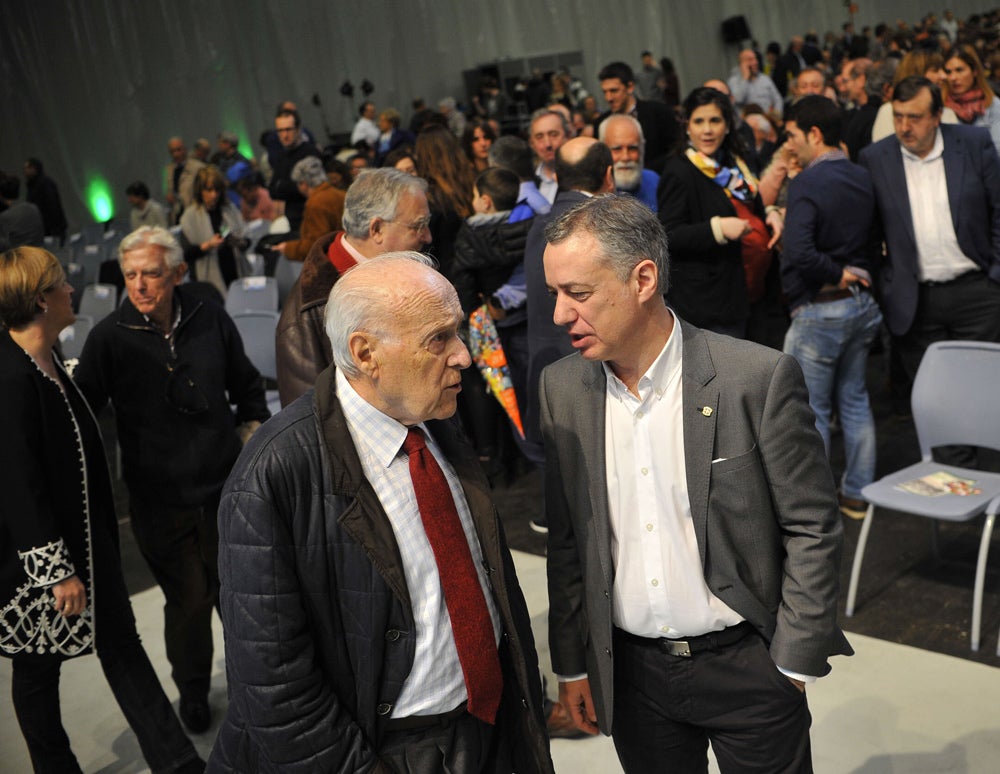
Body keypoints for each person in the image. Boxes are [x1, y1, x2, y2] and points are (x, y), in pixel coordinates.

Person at [539, 194, 851, 773]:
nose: (560, 315)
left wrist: (793, 664)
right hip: (632, 679)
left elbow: (812, 524)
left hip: (749, 668)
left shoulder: (753, 378)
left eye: (577, 294)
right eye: (555, 293)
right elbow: (569, 541)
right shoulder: (561, 389)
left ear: (643, 279)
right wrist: (573, 664)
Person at [208, 253, 554, 774]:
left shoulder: (433, 417)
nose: (464, 356)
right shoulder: (276, 473)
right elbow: (274, 687)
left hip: (488, 729)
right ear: (365, 353)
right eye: (438, 339)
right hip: (386, 754)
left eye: (457, 333)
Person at [0, 246, 204, 773]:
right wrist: (56, 570)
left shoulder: (46, 361)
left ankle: (178, 762)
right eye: (63, 285)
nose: (74, 291)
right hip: (42, 567)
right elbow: (17, 485)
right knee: (37, 670)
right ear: (43, 300)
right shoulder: (11, 377)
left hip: (91, 549)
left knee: (123, 648)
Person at [74, 226, 269, 734]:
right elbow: (81, 411)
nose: (139, 285)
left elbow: (247, 385)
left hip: (225, 489)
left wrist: (251, 435)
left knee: (239, 595)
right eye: (130, 275)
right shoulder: (108, 337)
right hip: (158, 498)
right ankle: (195, 692)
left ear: (178, 273)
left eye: (151, 274)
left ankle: (259, 686)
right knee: (187, 602)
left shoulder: (208, 317)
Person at [859, 76, 1000, 459]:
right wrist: (887, 286)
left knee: (988, 393)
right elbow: (869, 235)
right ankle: (960, 492)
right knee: (939, 403)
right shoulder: (876, 158)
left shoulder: (973, 144)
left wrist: (995, 277)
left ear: (938, 115)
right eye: (899, 116)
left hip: (979, 291)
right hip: (915, 299)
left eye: (916, 117)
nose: (905, 126)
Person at [782, 96, 884, 520]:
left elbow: (798, 249)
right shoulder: (862, 175)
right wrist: (850, 272)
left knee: (811, 412)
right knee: (856, 400)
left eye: (792, 136)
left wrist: (835, 272)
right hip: (862, 308)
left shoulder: (807, 181)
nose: (789, 145)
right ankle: (857, 493)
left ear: (815, 134)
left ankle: (815, 506)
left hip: (822, 309)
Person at [275, 168, 432, 406]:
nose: (428, 237)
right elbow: (312, 417)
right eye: (418, 225)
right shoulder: (307, 315)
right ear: (377, 229)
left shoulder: (413, 270)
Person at [657, 86, 783, 339]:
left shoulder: (733, 162)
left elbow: (750, 199)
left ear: (727, 125)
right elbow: (669, 234)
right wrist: (717, 229)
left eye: (715, 120)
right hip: (711, 305)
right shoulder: (679, 171)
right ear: (687, 126)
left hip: (752, 293)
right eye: (699, 121)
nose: (707, 130)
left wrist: (769, 212)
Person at [596, 61, 680, 173]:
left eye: (614, 91)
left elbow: (675, 151)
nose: (608, 98)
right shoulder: (601, 123)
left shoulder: (659, 113)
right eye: (605, 92)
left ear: (630, 87)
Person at [178, 164, 249, 296]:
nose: (214, 195)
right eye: (209, 190)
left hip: (234, 271)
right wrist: (208, 245)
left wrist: (239, 243)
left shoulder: (229, 209)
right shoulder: (190, 216)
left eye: (217, 190)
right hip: (207, 279)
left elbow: (247, 240)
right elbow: (185, 254)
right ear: (200, 191)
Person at [273, 156, 345, 262]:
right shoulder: (341, 194)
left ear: (303, 184)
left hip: (334, 263)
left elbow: (315, 246)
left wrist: (288, 248)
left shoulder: (315, 204)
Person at [268, 108, 321, 232]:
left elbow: (312, 187)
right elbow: (272, 190)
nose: (284, 135)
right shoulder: (281, 156)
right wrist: (295, 187)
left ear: (297, 129)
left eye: (288, 130)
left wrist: (283, 187)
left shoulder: (310, 152)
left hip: (311, 216)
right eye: (280, 131)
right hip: (293, 220)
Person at [942, 44, 1000, 153]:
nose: (953, 78)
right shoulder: (940, 107)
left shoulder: (993, 105)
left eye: (959, 70)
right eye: (949, 72)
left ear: (974, 71)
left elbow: (998, 151)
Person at [598, 114, 659, 210]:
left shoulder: (654, 181)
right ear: (602, 151)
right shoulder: (593, 190)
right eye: (617, 149)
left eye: (632, 148)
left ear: (642, 149)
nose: (625, 157)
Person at [23, 159, 68, 245]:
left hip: (51, 228)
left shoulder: (45, 183)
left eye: (28, 167)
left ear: (35, 168)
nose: (25, 171)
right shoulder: (32, 185)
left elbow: (53, 206)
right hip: (42, 228)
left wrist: (54, 229)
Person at [529, 109, 569, 203]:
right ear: (532, 143)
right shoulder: (529, 180)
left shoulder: (581, 177)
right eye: (539, 137)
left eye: (553, 135)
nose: (547, 144)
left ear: (567, 136)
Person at [728, 48, 783, 114]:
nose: (755, 62)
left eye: (755, 59)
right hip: (747, 121)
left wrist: (777, 113)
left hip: (767, 120)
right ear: (741, 64)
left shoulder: (765, 78)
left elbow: (778, 99)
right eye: (750, 60)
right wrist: (745, 78)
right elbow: (738, 99)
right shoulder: (734, 81)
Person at [163, 137, 205, 224]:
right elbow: (171, 189)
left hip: (196, 214)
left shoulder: (198, 168)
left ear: (185, 149)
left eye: (178, 150)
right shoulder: (170, 169)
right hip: (178, 214)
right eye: (172, 151)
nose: (176, 154)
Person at [0, 175, 44, 250]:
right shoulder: (33, 208)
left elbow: (3, 246)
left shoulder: (4, 217)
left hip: (17, 258)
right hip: (38, 256)